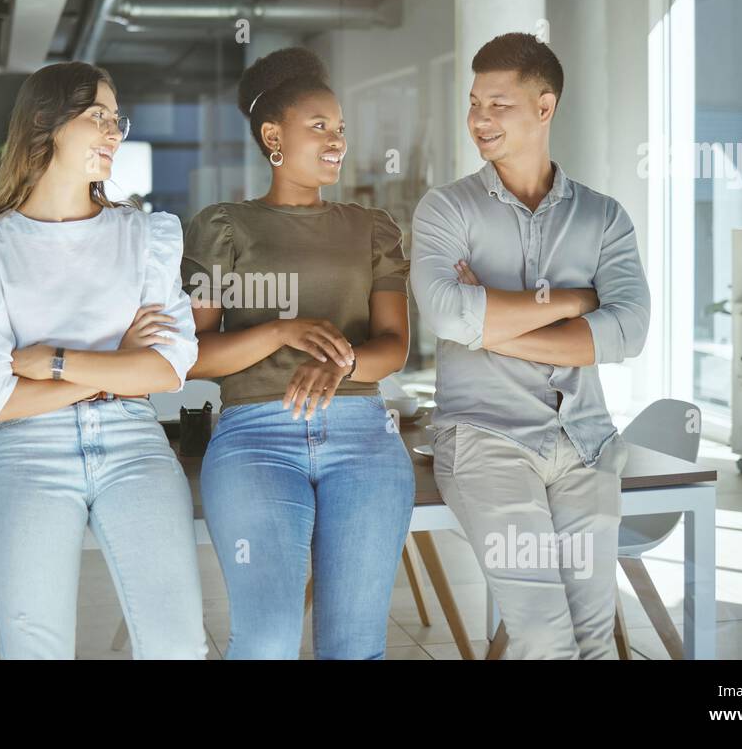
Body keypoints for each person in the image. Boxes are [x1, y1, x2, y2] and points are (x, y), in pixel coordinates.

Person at [0, 62, 206, 659]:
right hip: (27, 452)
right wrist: (114, 365)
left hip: (135, 444)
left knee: (178, 646)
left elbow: (168, 369)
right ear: (44, 124)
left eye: (117, 119)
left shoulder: (148, 234)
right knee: (36, 650)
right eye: (97, 117)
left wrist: (51, 360)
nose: (115, 132)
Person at [411, 32, 651, 659]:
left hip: (585, 443)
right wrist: (574, 301)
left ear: (544, 108)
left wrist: (491, 323)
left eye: (498, 105)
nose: (479, 121)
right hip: (486, 440)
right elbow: (445, 314)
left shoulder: (604, 217)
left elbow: (629, 331)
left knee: (597, 639)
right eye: (473, 104)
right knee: (544, 635)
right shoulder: (446, 209)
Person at [183, 47, 415, 659]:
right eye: (320, 126)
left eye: (340, 128)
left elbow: (394, 348)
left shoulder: (373, 228)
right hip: (255, 437)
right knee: (266, 641)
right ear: (272, 136)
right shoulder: (223, 227)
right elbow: (190, 356)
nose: (336, 139)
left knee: (356, 646)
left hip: (364, 435)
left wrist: (341, 362)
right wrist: (280, 331)